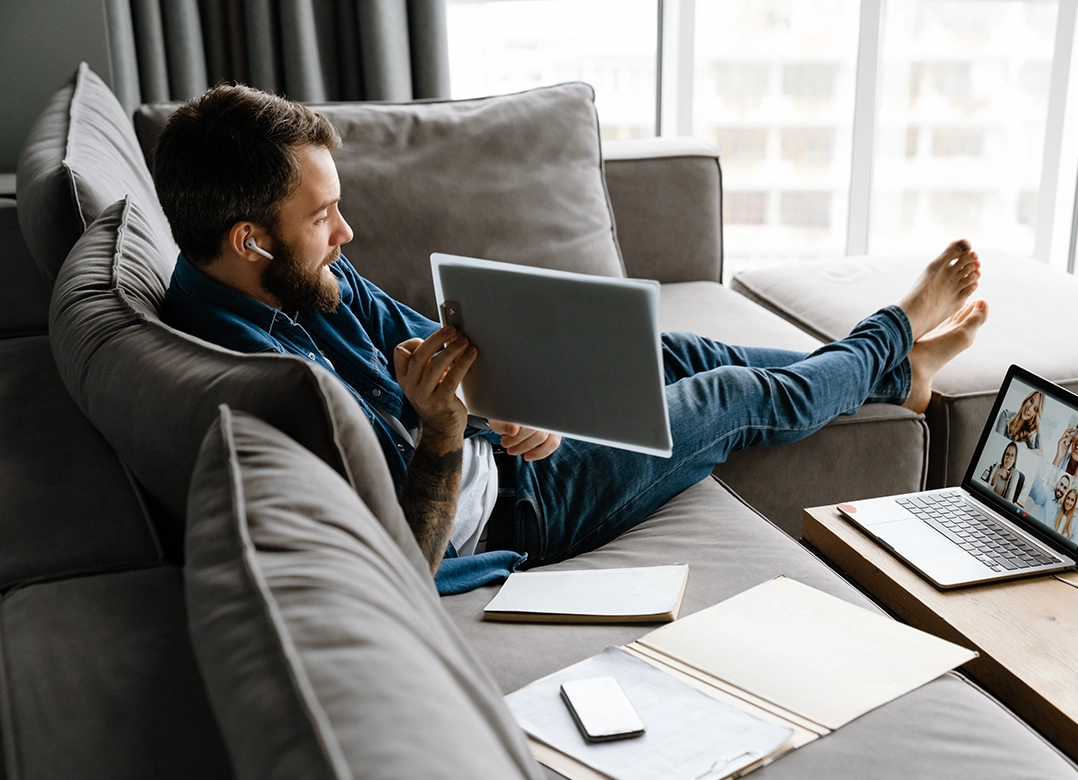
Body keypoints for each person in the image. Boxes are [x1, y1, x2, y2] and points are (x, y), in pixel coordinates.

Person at [152, 84, 988, 594]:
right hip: (523, 508)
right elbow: (404, 560)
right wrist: (447, 432)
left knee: (681, 350)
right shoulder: (267, 388)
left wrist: (515, 403)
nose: (347, 231)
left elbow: (441, 355)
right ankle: (896, 332)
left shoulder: (299, 278)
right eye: (321, 216)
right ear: (250, 240)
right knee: (733, 396)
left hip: (507, 451)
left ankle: (894, 376)